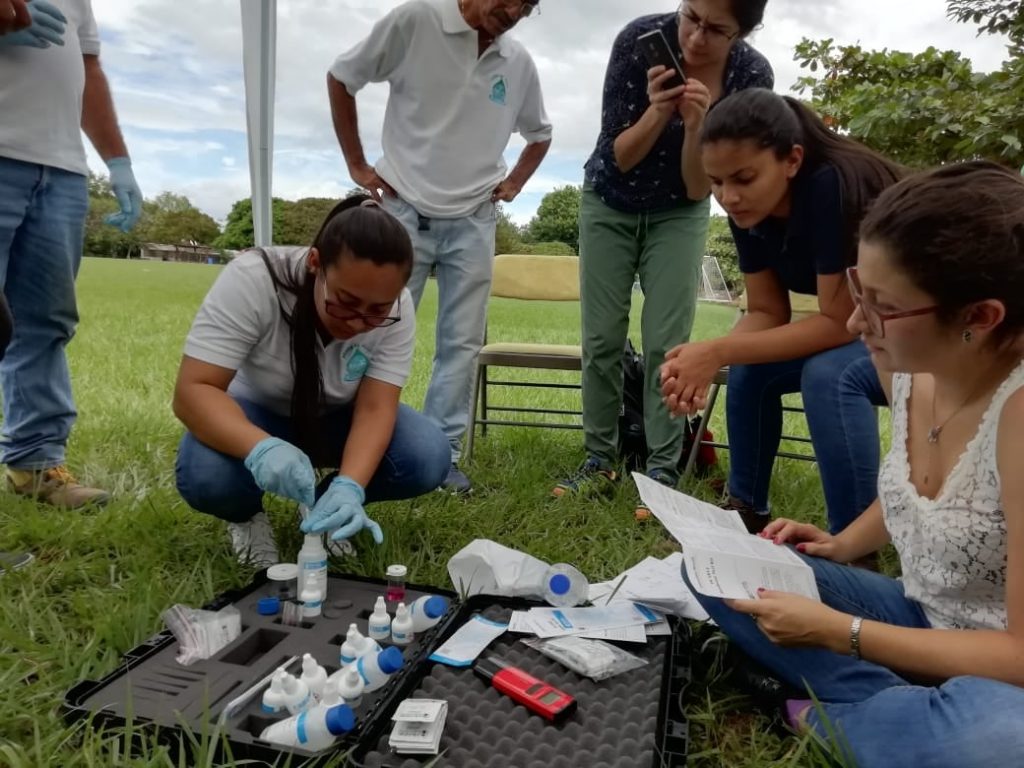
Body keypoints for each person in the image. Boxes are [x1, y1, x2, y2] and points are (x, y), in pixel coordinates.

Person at [683, 162, 1024, 767]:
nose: (854, 320)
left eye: (882, 305)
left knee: (995, 743)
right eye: (856, 288)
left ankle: (832, 708)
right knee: (711, 569)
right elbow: (925, 492)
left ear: (979, 318)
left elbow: (1019, 655)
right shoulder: (910, 365)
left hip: (1001, 662)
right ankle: (891, 713)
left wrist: (839, 633)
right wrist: (842, 545)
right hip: (916, 613)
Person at [553, 1, 773, 515]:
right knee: (602, 337)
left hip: (682, 210)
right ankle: (600, 460)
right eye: (690, 16)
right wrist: (658, 110)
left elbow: (701, 186)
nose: (695, 37)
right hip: (609, 201)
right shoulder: (639, 39)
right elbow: (620, 157)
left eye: (716, 29)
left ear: (742, 32)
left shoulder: (751, 74)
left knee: (667, 343)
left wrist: (698, 127)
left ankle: (662, 472)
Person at [327, 0, 552, 494]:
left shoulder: (517, 63)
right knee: (367, 328)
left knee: (461, 344)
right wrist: (357, 165)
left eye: (529, 4)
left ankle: (442, 456)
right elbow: (343, 76)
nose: (514, 10)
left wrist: (513, 182)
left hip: (474, 219)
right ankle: (338, 439)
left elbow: (540, 134)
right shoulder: (416, 20)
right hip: (401, 209)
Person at [660, 88, 902, 535]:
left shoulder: (832, 184)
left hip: (936, 335)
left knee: (831, 374)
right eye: (715, 182)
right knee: (753, 368)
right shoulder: (749, 209)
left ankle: (852, 544)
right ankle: (745, 511)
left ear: (791, 160)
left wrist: (716, 351)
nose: (728, 197)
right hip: (871, 331)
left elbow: (836, 326)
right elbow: (768, 310)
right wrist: (709, 355)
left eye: (743, 178)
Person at [173, 197, 450, 566]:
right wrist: (261, 448)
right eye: (346, 302)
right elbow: (194, 390)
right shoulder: (253, 278)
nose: (357, 322)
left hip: (337, 417)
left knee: (426, 455)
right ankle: (245, 517)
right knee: (206, 475)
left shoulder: (397, 308)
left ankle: (328, 508)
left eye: (377, 311)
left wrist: (350, 485)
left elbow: (375, 407)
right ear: (316, 264)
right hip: (256, 413)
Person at [0, 0, 142, 508]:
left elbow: (87, 68)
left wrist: (117, 161)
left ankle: (35, 464)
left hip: (60, 169)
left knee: (45, 322)